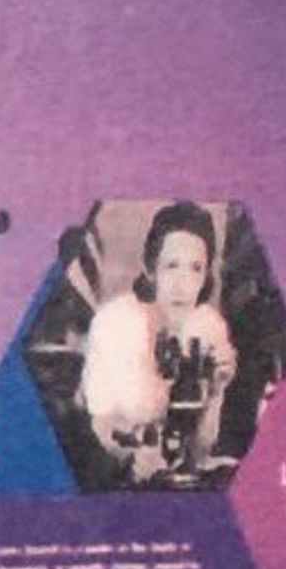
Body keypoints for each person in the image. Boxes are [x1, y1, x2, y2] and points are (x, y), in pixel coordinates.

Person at [78, 200, 239, 486]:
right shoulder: (116, 322)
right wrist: (132, 455)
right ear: (151, 269)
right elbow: (98, 430)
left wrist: (216, 392)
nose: (182, 283)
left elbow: (200, 450)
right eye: (171, 266)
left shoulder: (209, 325)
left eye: (195, 268)